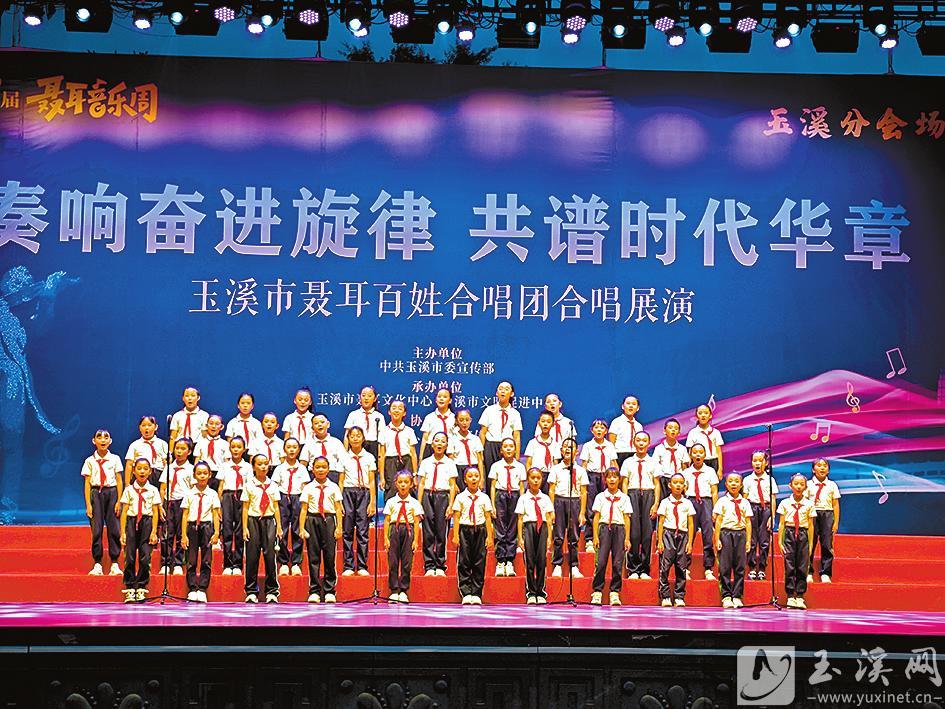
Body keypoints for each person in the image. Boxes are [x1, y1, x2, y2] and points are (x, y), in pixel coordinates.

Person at [299, 457, 344, 603]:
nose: (320, 470)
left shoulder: (334, 487)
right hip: (312, 520)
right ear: (312, 469)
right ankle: (314, 591)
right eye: (317, 467)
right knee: (313, 557)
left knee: (329, 556)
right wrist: (302, 528)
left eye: (323, 467)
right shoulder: (308, 487)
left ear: (328, 469)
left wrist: (339, 527)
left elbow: (338, 508)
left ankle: (330, 590)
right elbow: (304, 509)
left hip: (329, 520)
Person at [241, 454, 282, 603]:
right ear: (253, 467)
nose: (263, 467)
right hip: (253, 521)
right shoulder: (249, 485)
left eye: (265, 464)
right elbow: (245, 508)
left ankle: (272, 591)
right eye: (259, 464)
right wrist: (244, 528)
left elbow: (276, 507)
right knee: (252, 556)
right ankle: (251, 591)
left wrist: (279, 527)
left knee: (270, 556)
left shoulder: (273, 485)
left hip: (269, 521)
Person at [118, 458, 160, 602]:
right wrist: (123, 532)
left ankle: (141, 586)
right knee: (129, 556)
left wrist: (154, 531)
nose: (142, 471)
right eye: (139, 468)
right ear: (134, 471)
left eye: (145, 469)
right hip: (131, 521)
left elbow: (155, 512)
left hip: (147, 522)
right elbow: (124, 512)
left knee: (145, 556)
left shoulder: (153, 490)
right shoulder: (129, 490)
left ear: (150, 471)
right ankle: (130, 587)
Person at [82, 429, 124, 576]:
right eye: (99, 437)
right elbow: (87, 483)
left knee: (114, 529)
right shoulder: (89, 461)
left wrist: (119, 501)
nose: (103, 440)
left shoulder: (115, 459)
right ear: (94, 441)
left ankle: (114, 562)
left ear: (110, 441)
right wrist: (88, 504)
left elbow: (119, 480)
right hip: (96, 494)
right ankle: (98, 563)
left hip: (111, 493)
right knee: (97, 529)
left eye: (106, 437)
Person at [452, 466, 494, 605]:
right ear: (465, 480)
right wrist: (456, 535)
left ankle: (476, 593)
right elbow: (456, 517)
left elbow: (488, 517)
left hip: (480, 530)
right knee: (464, 561)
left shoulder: (484, 497)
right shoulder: (460, 497)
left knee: (479, 561)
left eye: (476, 476)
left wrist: (489, 536)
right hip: (465, 530)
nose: (473, 479)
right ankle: (465, 592)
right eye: (470, 476)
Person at [417, 432, 458, 576]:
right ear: (432, 444)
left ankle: (440, 565)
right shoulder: (426, 462)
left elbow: (452, 485)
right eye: (437, 441)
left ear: (447, 445)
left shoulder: (450, 463)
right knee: (428, 532)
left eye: (443, 441)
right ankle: (429, 565)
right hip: (428, 495)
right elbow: (421, 484)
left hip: (443, 496)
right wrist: (419, 504)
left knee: (441, 532)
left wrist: (451, 505)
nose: (439, 444)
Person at [590, 467, 632, 606]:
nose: (612, 479)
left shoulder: (624, 498)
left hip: (619, 529)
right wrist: (595, 536)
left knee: (617, 563)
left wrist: (627, 538)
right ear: (605, 479)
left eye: (615, 477)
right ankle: (597, 591)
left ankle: (615, 592)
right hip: (604, 529)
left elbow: (627, 519)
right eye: (609, 477)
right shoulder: (600, 497)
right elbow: (596, 518)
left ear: (619, 480)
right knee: (601, 562)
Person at [181, 461, 221, 603]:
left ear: (210, 475)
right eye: (199, 473)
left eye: (205, 473)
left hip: (206, 527)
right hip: (192, 527)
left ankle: (202, 588)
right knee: (191, 559)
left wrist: (216, 532)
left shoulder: (212, 494)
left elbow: (215, 514)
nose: (202, 476)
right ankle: (192, 588)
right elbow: (185, 515)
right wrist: (183, 535)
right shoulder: (189, 493)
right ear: (194, 475)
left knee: (206, 559)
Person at [622, 431, 660, 579]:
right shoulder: (628, 462)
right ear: (634, 442)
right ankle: (633, 569)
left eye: (644, 440)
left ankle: (644, 569)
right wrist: (625, 501)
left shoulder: (653, 462)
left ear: (649, 444)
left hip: (648, 495)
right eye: (638, 440)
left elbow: (657, 484)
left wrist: (656, 503)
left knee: (647, 534)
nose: (641, 443)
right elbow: (624, 483)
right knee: (634, 533)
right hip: (632, 495)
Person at [547, 438, 587, 579]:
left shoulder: (581, 471)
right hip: (559, 501)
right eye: (565, 447)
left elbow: (583, 492)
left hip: (574, 502)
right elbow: (551, 490)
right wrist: (551, 510)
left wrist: (582, 512)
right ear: (561, 451)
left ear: (576, 452)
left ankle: (574, 566)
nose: (567, 449)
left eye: (571, 447)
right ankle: (557, 564)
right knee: (558, 536)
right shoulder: (555, 469)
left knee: (573, 536)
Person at [339, 427, 376, 577]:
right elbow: (341, 481)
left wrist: (372, 502)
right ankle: (348, 565)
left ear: (363, 438)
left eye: (358, 436)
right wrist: (339, 502)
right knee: (347, 530)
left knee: (362, 531)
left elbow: (372, 481)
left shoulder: (369, 457)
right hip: (348, 493)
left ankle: (362, 565)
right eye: (352, 436)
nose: (355, 438)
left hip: (363, 493)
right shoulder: (343, 457)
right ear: (348, 439)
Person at [383, 470, 424, 603]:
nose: (403, 485)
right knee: (393, 561)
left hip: (408, 530)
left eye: (406, 482)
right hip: (394, 529)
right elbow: (387, 521)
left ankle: (404, 590)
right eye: (400, 482)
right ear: (396, 484)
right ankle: (394, 590)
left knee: (407, 561)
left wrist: (416, 540)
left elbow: (416, 522)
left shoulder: (414, 503)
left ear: (411, 484)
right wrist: (385, 538)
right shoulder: (391, 501)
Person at [656, 472, 696, 607]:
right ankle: (665, 596)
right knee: (665, 567)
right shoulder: (665, 502)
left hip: (683, 536)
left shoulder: (688, 503)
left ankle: (679, 596)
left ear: (685, 486)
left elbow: (691, 524)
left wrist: (689, 542)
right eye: (675, 483)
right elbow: (661, 522)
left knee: (681, 567)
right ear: (669, 485)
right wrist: (660, 541)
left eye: (681, 483)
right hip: (668, 534)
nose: (678, 485)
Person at [713, 472, 752, 609]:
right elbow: (718, 521)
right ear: (726, 484)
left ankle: (737, 596)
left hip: (740, 534)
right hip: (726, 534)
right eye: (730, 481)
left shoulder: (745, 502)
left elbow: (748, 522)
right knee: (725, 566)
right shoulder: (722, 501)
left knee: (740, 567)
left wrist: (748, 541)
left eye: (736, 481)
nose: (733, 484)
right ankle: (726, 596)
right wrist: (717, 539)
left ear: (741, 485)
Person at [271, 437, 309, 576]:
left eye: (294, 447)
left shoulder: (302, 469)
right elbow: (274, 486)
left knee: (298, 529)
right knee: (282, 529)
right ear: (284, 450)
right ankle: (283, 562)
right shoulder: (279, 468)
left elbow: (305, 486)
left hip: (298, 497)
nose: (291, 450)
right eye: (288, 447)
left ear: (298, 450)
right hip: (283, 498)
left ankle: (296, 562)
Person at [778, 473, 817, 609]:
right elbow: (781, 524)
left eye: (802, 484)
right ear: (790, 486)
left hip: (803, 534)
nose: (799, 487)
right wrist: (780, 542)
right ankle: (790, 595)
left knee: (802, 566)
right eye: (796, 484)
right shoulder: (785, 503)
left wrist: (810, 544)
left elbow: (811, 526)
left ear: (806, 487)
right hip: (789, 533)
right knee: (789, 565)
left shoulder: (809, 504)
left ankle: (800, 596)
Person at [516, 468, 555, 604]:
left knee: (541, 561)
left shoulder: (545, 498)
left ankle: (541, 591)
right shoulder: (523, 498)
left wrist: (549, 537)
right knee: (530, 561)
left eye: (538, 478)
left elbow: (549, 519)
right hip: (529, 527)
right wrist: (520, 538)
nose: (536, 480)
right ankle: (531, 592)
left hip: (542, 528)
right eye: (533, 478)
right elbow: (520, 519)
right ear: (528, 479)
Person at [488, 437, 525, 577]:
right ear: (501, 450)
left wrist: (522, 504)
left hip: (514, 496)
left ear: (515, 449)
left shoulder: (520, 467)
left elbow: (521, 487)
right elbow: (492, 486)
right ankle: (500, 561)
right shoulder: (496, 466)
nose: (508, 448)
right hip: (501, 495)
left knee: (512, 529)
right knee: (500, 528)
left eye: (511, 446)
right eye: (505, 446)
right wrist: (492, 504)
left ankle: (509, 560)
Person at [580, 419, 618, 552]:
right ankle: (589, 538)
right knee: (591, 507)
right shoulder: (588, 446)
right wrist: (583, 481)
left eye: (602, 428)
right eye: (596, 427)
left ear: (606, 431)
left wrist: (616, 478)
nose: (599, 430)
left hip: (606, 477)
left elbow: (613, 463)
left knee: (606, 505)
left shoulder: (610, 446)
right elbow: (584, 465)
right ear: (592, 430)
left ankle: (605, 536)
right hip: (591, 476)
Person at [682, 442, 719, 580]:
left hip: (706, 502)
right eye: (695, 452)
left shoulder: (710, 471)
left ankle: (708, 568)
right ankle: (685, 567)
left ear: (705, 455)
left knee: (707, 535)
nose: (698, 455)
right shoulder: (685, 473)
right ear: (690, 455)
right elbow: (683, 490)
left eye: (700, 452)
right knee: (688, 536)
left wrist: (715, 509)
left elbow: (714, 492)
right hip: (690, 502)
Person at [478, 380, 522, 494]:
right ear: (496, 393)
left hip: (507, 447)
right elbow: (483, 433)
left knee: (506, 476)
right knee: (491, 476)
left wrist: (517, 457)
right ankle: (491, 501)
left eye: (506, 389)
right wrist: (481, 452)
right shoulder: (489, 410)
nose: (503, 391)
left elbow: (516, 436)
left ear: (512, 394)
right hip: (491, 446)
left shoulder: (515, 413)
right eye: (500, 389)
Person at [159, 437, 195, 576]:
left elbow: (192, 489)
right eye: (177, 448)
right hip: (169, 502)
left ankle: (179, 563)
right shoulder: (168, 468)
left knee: (181, 533)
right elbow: (163, 488)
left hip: (183, 503)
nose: (179, 451)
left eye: (183, 449)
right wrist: (161, 505)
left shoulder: (191, 469)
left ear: (189, 452)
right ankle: (166, 563)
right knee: (167, 534)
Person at [218, 436, 250, 575]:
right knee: (227, 530)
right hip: (227, 496)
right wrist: (218, 505)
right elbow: (220, 486)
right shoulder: (225, 466)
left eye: (239, 447)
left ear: (244, 449)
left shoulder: (248, 467)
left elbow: (249, 486)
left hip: (242, 496)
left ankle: (237, 564)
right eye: (233, 447)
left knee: (239, 531)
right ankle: (227, 564)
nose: (236, 449)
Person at [744, 450, 778, 581]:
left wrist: (772, 516)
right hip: (752, 508)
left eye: (760, 460)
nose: (757, 463)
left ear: (766, 463)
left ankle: (762, 568)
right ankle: (752, 567)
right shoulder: (747, 480)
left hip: (766, 509)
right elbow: (745, 499)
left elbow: (773, 498)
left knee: (764, 540)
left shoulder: (770, 480)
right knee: (752, 540)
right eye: (755, 461)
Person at [806, 458, 841, 584]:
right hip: (812, 515)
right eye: (819, 465)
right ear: (813, 470)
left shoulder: (832, 485)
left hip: (827, 514)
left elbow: (835, 504)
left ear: (828, 470)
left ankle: (825, 573)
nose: (822, 468)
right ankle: (808, 572)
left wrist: (835, 522)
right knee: (810, 543)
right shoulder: (808, 484)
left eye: (825, 466)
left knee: (827, 544)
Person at [377, 400, 418, 496]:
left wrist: (415, 475)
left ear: (404, 413)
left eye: (400, 408)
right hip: (390, 462)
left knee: (407, 490)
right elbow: (381, 455)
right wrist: (382, 477)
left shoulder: (409, 431)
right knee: (391, 490)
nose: (396, 410)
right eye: (394, 408)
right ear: (389, 412)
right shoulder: (384, 431)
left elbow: (413, 454)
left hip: (406, 462)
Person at [303, 413, 348, 484]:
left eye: (322, 422)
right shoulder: (308, 444)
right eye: (316, 423)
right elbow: (303, 465)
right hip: (313, 476)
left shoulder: (336, 442)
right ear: (312, 428)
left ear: (328, 424)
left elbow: (344, 461)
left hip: (332, 475)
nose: (319, 425)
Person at [652, 419, 690, 503]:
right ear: (664, 431)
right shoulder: (659, 449)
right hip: (664, 480)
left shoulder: (682, 449)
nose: (673, 430)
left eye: (676, 428)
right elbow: (655, 466)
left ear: (679, 433)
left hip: (678, 481)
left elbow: (684, 467)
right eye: (670, 428)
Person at [344, 386, 385, 460]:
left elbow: (382, 439)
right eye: (363, 395)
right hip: (356, 446)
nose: (366, 398)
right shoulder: (353, 415)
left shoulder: (379, 416)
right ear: (359, 398)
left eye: (369, 396)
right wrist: (345, 454)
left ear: (375, 399)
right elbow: (347, 436)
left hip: (373, 448)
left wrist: (380, 457)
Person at [124, 415, 167, 487]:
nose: (146, 428)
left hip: (158, 475)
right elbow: (129, 464)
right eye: (143, 425)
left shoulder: (163, 444)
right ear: (139, 428)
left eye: (149, 425)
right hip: (141, 475)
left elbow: (167, 463)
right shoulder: (135, 445)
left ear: (156, 427)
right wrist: (127, 484)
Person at [524, 410, 560, 492]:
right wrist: (529, 477)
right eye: (543, 421)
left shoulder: (555, 444)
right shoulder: (532, 443)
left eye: (548, 422)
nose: (545, 424)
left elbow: (556, 463)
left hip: (550, 475)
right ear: (538, 423)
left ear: (553, 424)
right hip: (535, 475)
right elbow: (529, 463)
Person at [685, 404, 724, 481]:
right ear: (696, 416)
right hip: (698, 462)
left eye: (706, 413)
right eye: (700, 413)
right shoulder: (693, 432)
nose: (703, 415)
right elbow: (690, 452)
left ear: (710, 416)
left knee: (712, 483)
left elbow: (719, 452)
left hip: (713, 461)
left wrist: (720, 469)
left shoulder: (716, 432)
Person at [419, 388, 455, 460]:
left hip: (449, 450)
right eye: (439, 396)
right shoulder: (429, 417)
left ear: (450, 401)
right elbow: (425, 438)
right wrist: (421, 457)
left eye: (445, 397)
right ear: (436, 400)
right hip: (431, 449)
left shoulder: (454, 418)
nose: (441, 399)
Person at [608, 395, 644, 469]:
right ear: (622, 406)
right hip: (619, 455)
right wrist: (613, 461)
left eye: (634, 404)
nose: (630, 406)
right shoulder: (616, 422)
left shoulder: (639, 426)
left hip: (634, 456)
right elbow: (611, 444)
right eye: (628, 403)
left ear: (637, 408)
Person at [447, 408, 484, 479]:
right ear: (456, 421)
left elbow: (480, 460)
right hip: (458, 470)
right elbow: (450, 461)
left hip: (474, 470)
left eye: (467, 420)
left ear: (470, 420)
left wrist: (482, 478)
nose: (464, 423)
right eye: (461, 420)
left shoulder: (475, 439)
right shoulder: (452, 439)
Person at [194, 415, 227, 489]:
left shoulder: (225, 444)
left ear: (221, 427)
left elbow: (226, 462)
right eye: (211, 423)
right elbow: (197, 460)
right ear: (206, 426)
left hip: (219, 474)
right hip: (203, 474)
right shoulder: (200, 442)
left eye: (217, 424)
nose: (213, 426)